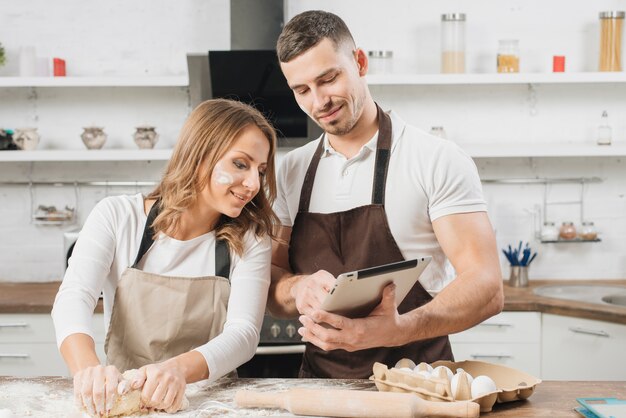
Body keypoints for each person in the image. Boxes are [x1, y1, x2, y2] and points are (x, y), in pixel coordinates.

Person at [267, 10, 504, 379]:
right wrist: (297, 288)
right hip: (322, 392)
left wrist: (403, 327)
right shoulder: (288, 172)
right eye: (302, 90)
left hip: (421, 386)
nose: (318, 101)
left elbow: (487, 286)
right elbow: (270, 284)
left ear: (359, 62)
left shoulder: (435, 158)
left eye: (328, 79)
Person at [52, 98, 278, 415]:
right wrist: (88, 370)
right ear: (199, 155)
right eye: (240, 164)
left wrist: (178, 371)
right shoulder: (118, 217)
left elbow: (243, 335)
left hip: (211, 405)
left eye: (261, 170)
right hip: (123, 400)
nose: (254, 184)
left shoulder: (249, 238)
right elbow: (74, 296)